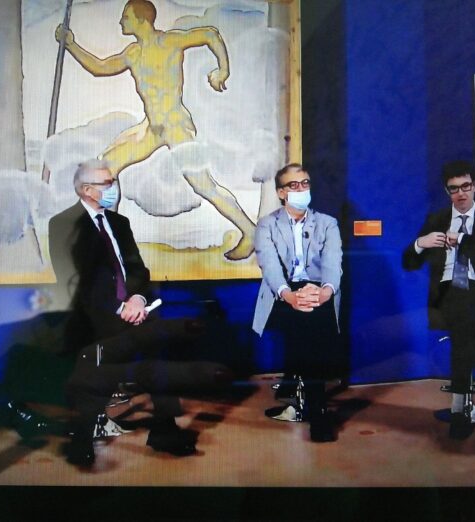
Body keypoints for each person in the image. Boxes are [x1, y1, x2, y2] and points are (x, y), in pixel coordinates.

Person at [49, 159, 231, 466]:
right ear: (87, 190)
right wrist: (119, 308)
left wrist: (135, 299)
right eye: (107, 183)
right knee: (99, 370)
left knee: (159, 355)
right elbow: (76, 281)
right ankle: (82, 439)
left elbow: (136, 269)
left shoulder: (119, 223)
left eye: (112, 180)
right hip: (93, 318)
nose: (113, 187)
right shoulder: (63, 223)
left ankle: (164, 430)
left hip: (132, 310)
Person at [56, 0, 256, 260]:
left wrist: (223, 70)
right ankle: (109, 240)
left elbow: (210, 34)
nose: (121, 22)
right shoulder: (133, 53)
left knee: (204, 186)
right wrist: (71, 44)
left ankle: (250, 231)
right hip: (152, 128)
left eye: (126, 17)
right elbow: (101, 68)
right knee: (106, 167)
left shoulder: (170, 41)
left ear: (141, 19)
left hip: (175, 126)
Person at [403, 160, 475, 440]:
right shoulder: (437, 219)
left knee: (466, 326)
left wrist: (461, 239)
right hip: (447, 293)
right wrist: (420, 244)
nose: (461, 194)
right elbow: (408, 263)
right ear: (447, 191)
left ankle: (460, 407)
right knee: (465, 322)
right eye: (454, 189)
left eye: (466, 186)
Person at [252, 163, 343, 442]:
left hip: (318, 290)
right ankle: (317, 409)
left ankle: (306, 399)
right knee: (306, 323)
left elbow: (333, 264)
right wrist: (290, 296)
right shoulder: (267, 224)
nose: (302, 189)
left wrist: (324, 292)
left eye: (305, 183)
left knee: (310, 321)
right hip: (281, 294)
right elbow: (270, 266)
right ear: (281, 193)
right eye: (294, 185)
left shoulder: (327, 223)